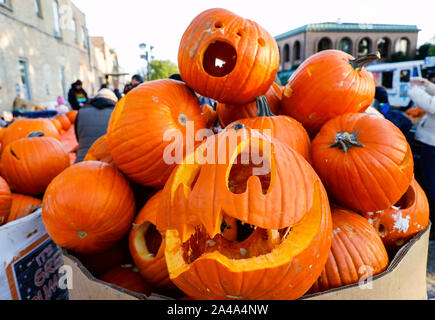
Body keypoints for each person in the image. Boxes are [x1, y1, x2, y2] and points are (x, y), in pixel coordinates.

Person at [408, 75, 435, 238]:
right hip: (430, 143)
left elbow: (431, 105)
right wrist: (427, 85)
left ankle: (432, 224)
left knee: (431, 183)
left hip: (432, 146)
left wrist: (413, 89)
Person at [74, 88, 118, 163]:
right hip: (107, 166)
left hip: (81, 163)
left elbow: (78, 138)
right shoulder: (117, 114)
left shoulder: (81, 112)